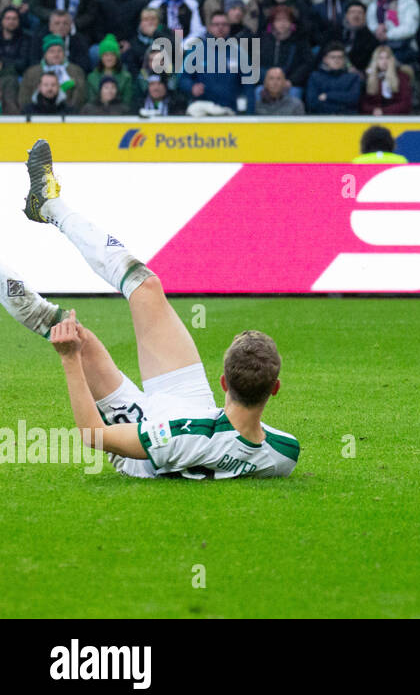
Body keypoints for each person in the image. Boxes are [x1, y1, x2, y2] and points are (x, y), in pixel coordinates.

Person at [4, 140, 299, 478]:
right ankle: (48, 204)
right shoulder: (285, 453)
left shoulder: (177, 438)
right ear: (274, 388)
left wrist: (69, 358)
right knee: (146, 288)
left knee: (73, 336)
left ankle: (51, 208)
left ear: (223, 382)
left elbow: (93, 435)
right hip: (193, 412)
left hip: (151, 443)